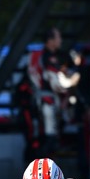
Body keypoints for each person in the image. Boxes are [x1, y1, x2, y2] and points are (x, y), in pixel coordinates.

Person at [27, 27, 80, 157]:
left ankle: (41, 164)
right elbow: (56, 83)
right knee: (49, 138)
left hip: (43, 100)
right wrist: (72, 81)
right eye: (58, 37)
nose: (60, 40)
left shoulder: (43, 56)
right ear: (50, 41)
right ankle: (41, 166)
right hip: (46, 102)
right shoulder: (47, 57)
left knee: (47, 137)